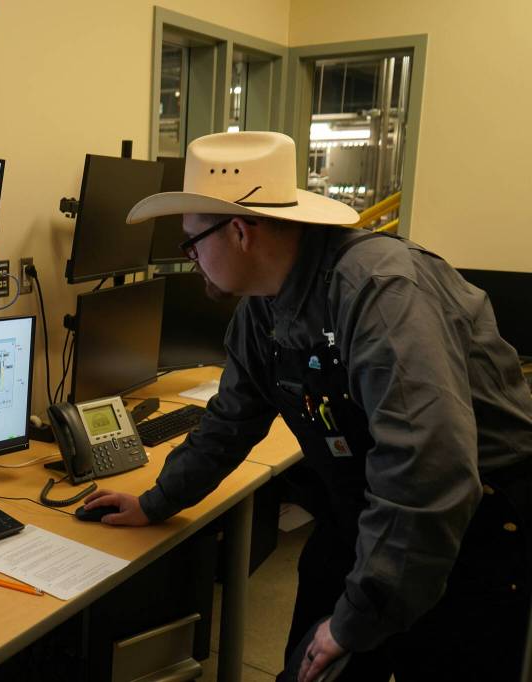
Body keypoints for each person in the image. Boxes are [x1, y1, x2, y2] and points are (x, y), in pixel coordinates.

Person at [83, 131, 532, 681]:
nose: (192, 260)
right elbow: (231, 421)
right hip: (366, 511)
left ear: (241, 231)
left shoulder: (380, 290)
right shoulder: (262, 309)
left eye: (192, 243)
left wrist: (354, 622)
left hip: (467, 527)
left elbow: (428, 469)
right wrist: (155, 502)